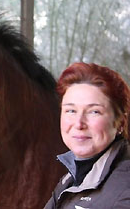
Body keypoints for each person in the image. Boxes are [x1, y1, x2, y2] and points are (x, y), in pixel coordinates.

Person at [45, 62, 130, 208]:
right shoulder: (70, 178)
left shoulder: (125, 190)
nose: (79, 123)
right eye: (71, 110)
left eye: (94, 111)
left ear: (120, 122)